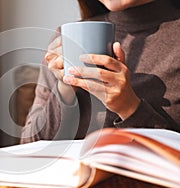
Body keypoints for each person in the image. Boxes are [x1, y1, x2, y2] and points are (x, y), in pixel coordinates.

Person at [20, 0, 180, 143]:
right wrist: (65, 88)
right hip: (74, 175)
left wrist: (128, 107)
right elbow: (30, 145)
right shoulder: (66, 36)